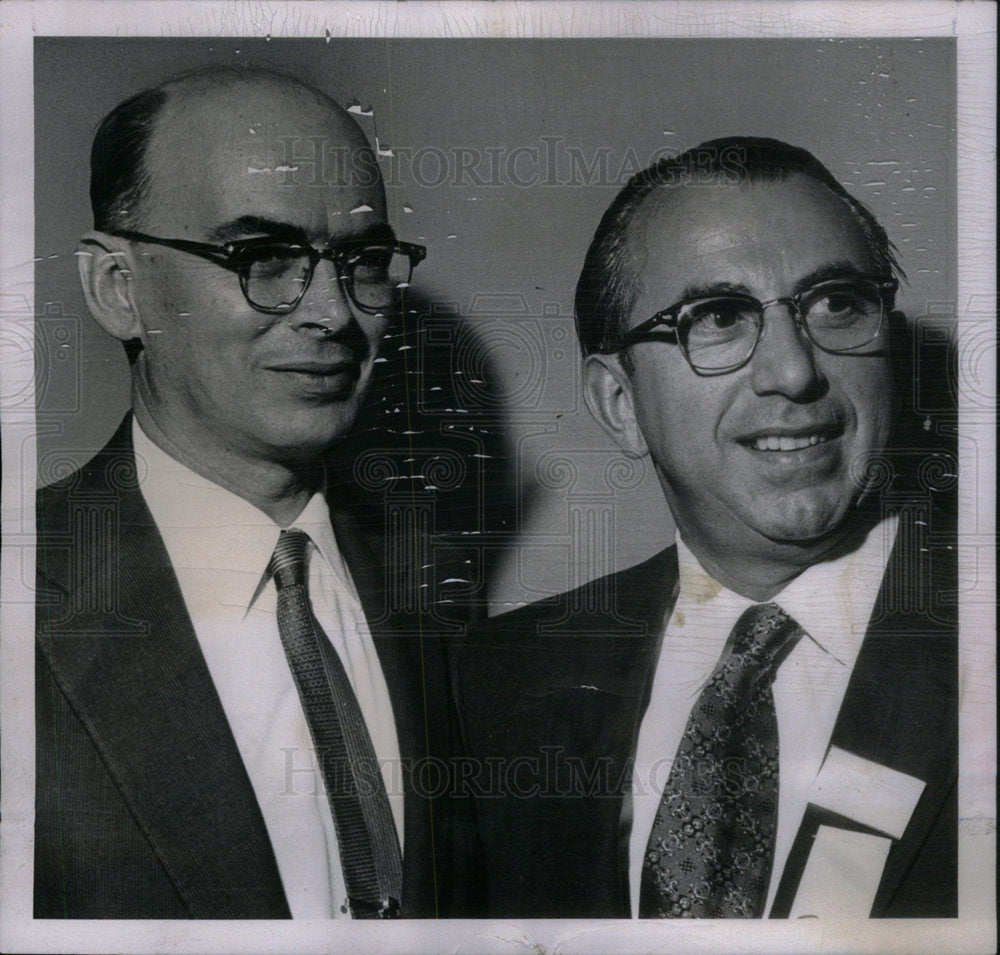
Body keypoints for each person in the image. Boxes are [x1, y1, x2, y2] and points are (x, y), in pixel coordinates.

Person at [452, 137, 957, 919]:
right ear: (621, 403)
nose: (794, 371)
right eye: (718, 317)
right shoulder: (498, 683)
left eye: (837, 304)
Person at [35, 67, 460, 919]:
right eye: (262, 257)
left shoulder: (440, 611)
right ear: (119, 289)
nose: (334, 313)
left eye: (362, 261)